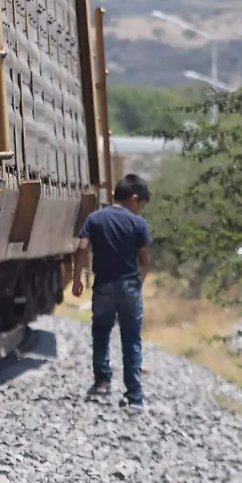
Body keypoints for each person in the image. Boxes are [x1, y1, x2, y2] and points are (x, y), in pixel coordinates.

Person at [71, 173, 153, 411]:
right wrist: (138, 283)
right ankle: (135, 396)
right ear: (134, 199)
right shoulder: (138, 223)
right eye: (142, 206)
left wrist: (77, 279)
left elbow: (82, 247)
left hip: (104, 285)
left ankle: (102, 383)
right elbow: (145, 261)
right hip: (129, 286)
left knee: (101, 332)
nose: (141, 211)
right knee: (131, 340)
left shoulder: (96, 218)